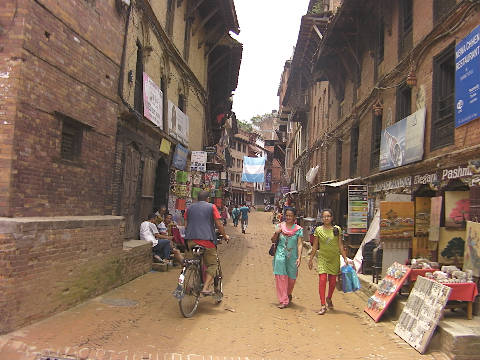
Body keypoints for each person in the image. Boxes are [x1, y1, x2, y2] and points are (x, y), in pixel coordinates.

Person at [184, 191, 230, 296]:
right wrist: (224, 235)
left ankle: (188, 284)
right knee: (213, 264)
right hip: (206, 240)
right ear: (207, 199)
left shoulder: (189, 208)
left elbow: (186, 225)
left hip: (189, 241)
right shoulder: (212, 207)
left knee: (189, 263)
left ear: (197, 198)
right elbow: (219, 224)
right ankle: (205, 288)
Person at [308, 209, 348, 315]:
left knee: (333, 282)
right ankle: (322, 305)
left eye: (328, 216)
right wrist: (311, 258)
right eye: (324, 216)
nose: (326, 218)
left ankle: (329, 298)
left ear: (332, 217)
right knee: (322, 280)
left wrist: (345, 258)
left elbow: (340, 245)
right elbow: (315, 245)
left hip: (334, 259)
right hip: (323, 258)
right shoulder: (318, 230)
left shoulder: (337, 229)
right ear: (322, 218)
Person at [271, 208, 303, 309]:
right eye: (287, 215)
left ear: (294, 217)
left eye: (290, 215)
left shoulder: (299, 230)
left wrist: (299, 257)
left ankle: (288, 293)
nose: (288, 217)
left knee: (291, 279)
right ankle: (283, 300)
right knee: (281, 277)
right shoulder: (279, 226)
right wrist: (276, 232)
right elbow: (273, 240)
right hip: (280, 255)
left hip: (292, 257)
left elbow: (299, 244)